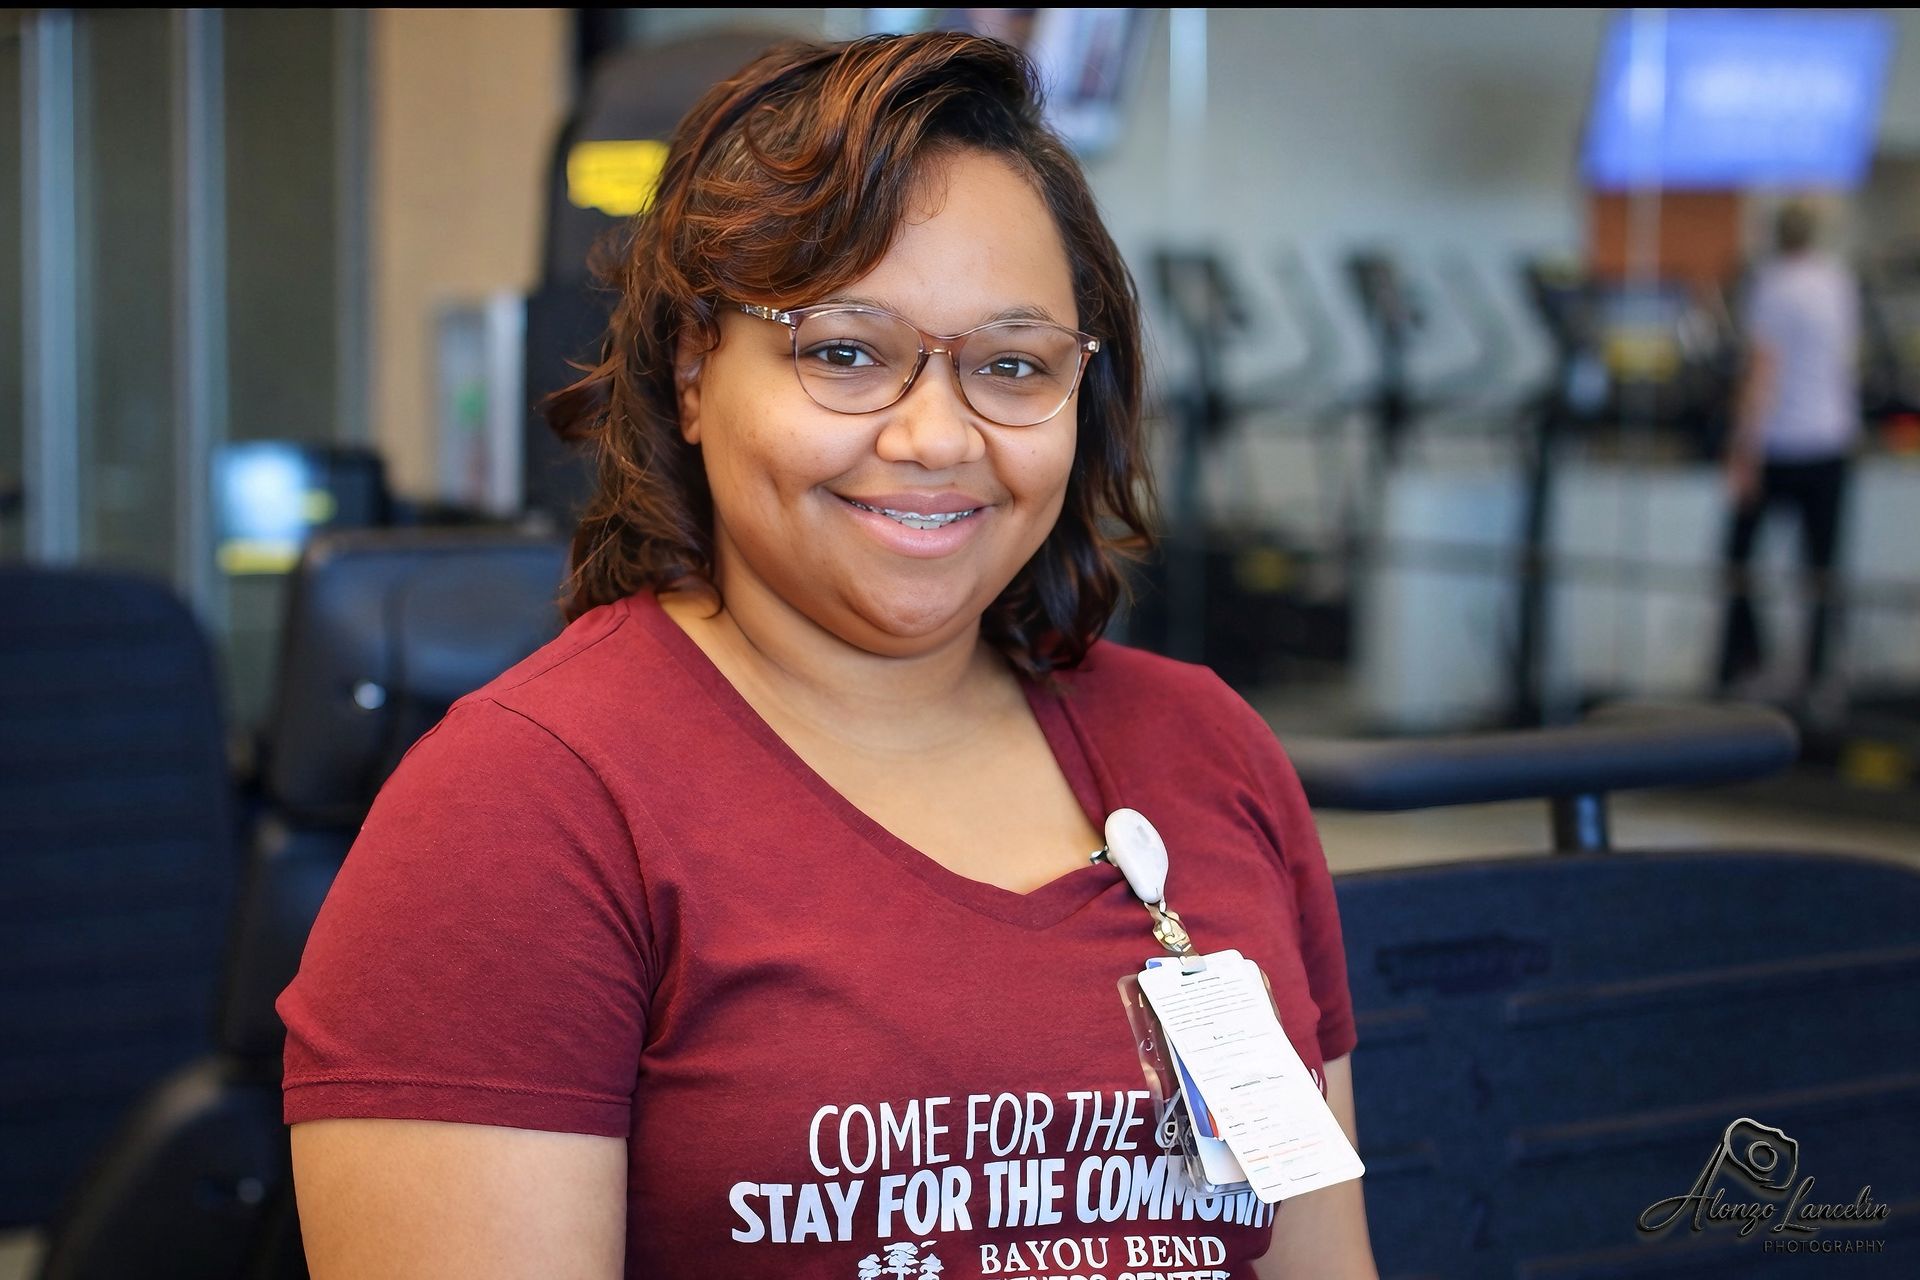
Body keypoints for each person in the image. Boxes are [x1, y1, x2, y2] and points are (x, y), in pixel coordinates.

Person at [277, 32, 1375, 1279]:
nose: (935, 435)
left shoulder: (1205, 748)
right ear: (695, 368)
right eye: (845, 351)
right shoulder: (518, 812)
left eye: (1011, 366)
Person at [1716, 200, 1862, 714]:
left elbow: (1762, 371)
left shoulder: (1773, 285)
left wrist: (1741, 451)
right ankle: (1820, 673)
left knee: (1737, 560)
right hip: (1831, 440)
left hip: (1781, 444)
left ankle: (1745, 663)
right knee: (1821, 568)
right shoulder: (1837, 281)